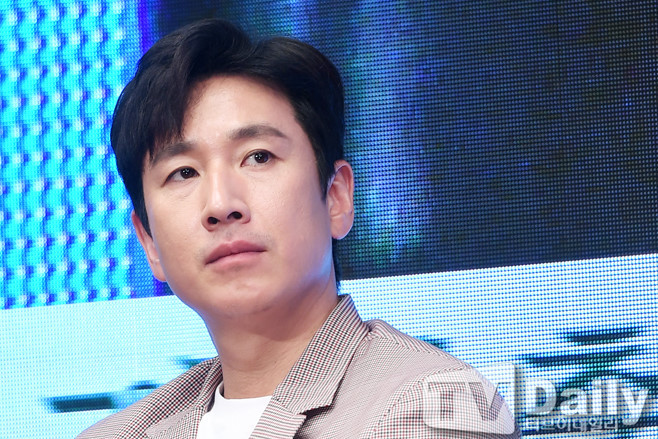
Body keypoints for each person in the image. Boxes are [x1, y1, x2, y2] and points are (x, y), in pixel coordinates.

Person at [78, 18, 519, 439]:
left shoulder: (437, 405)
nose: (221, 205)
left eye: (258, 157)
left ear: (336, 197)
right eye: (184, 173)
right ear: (148, 241)